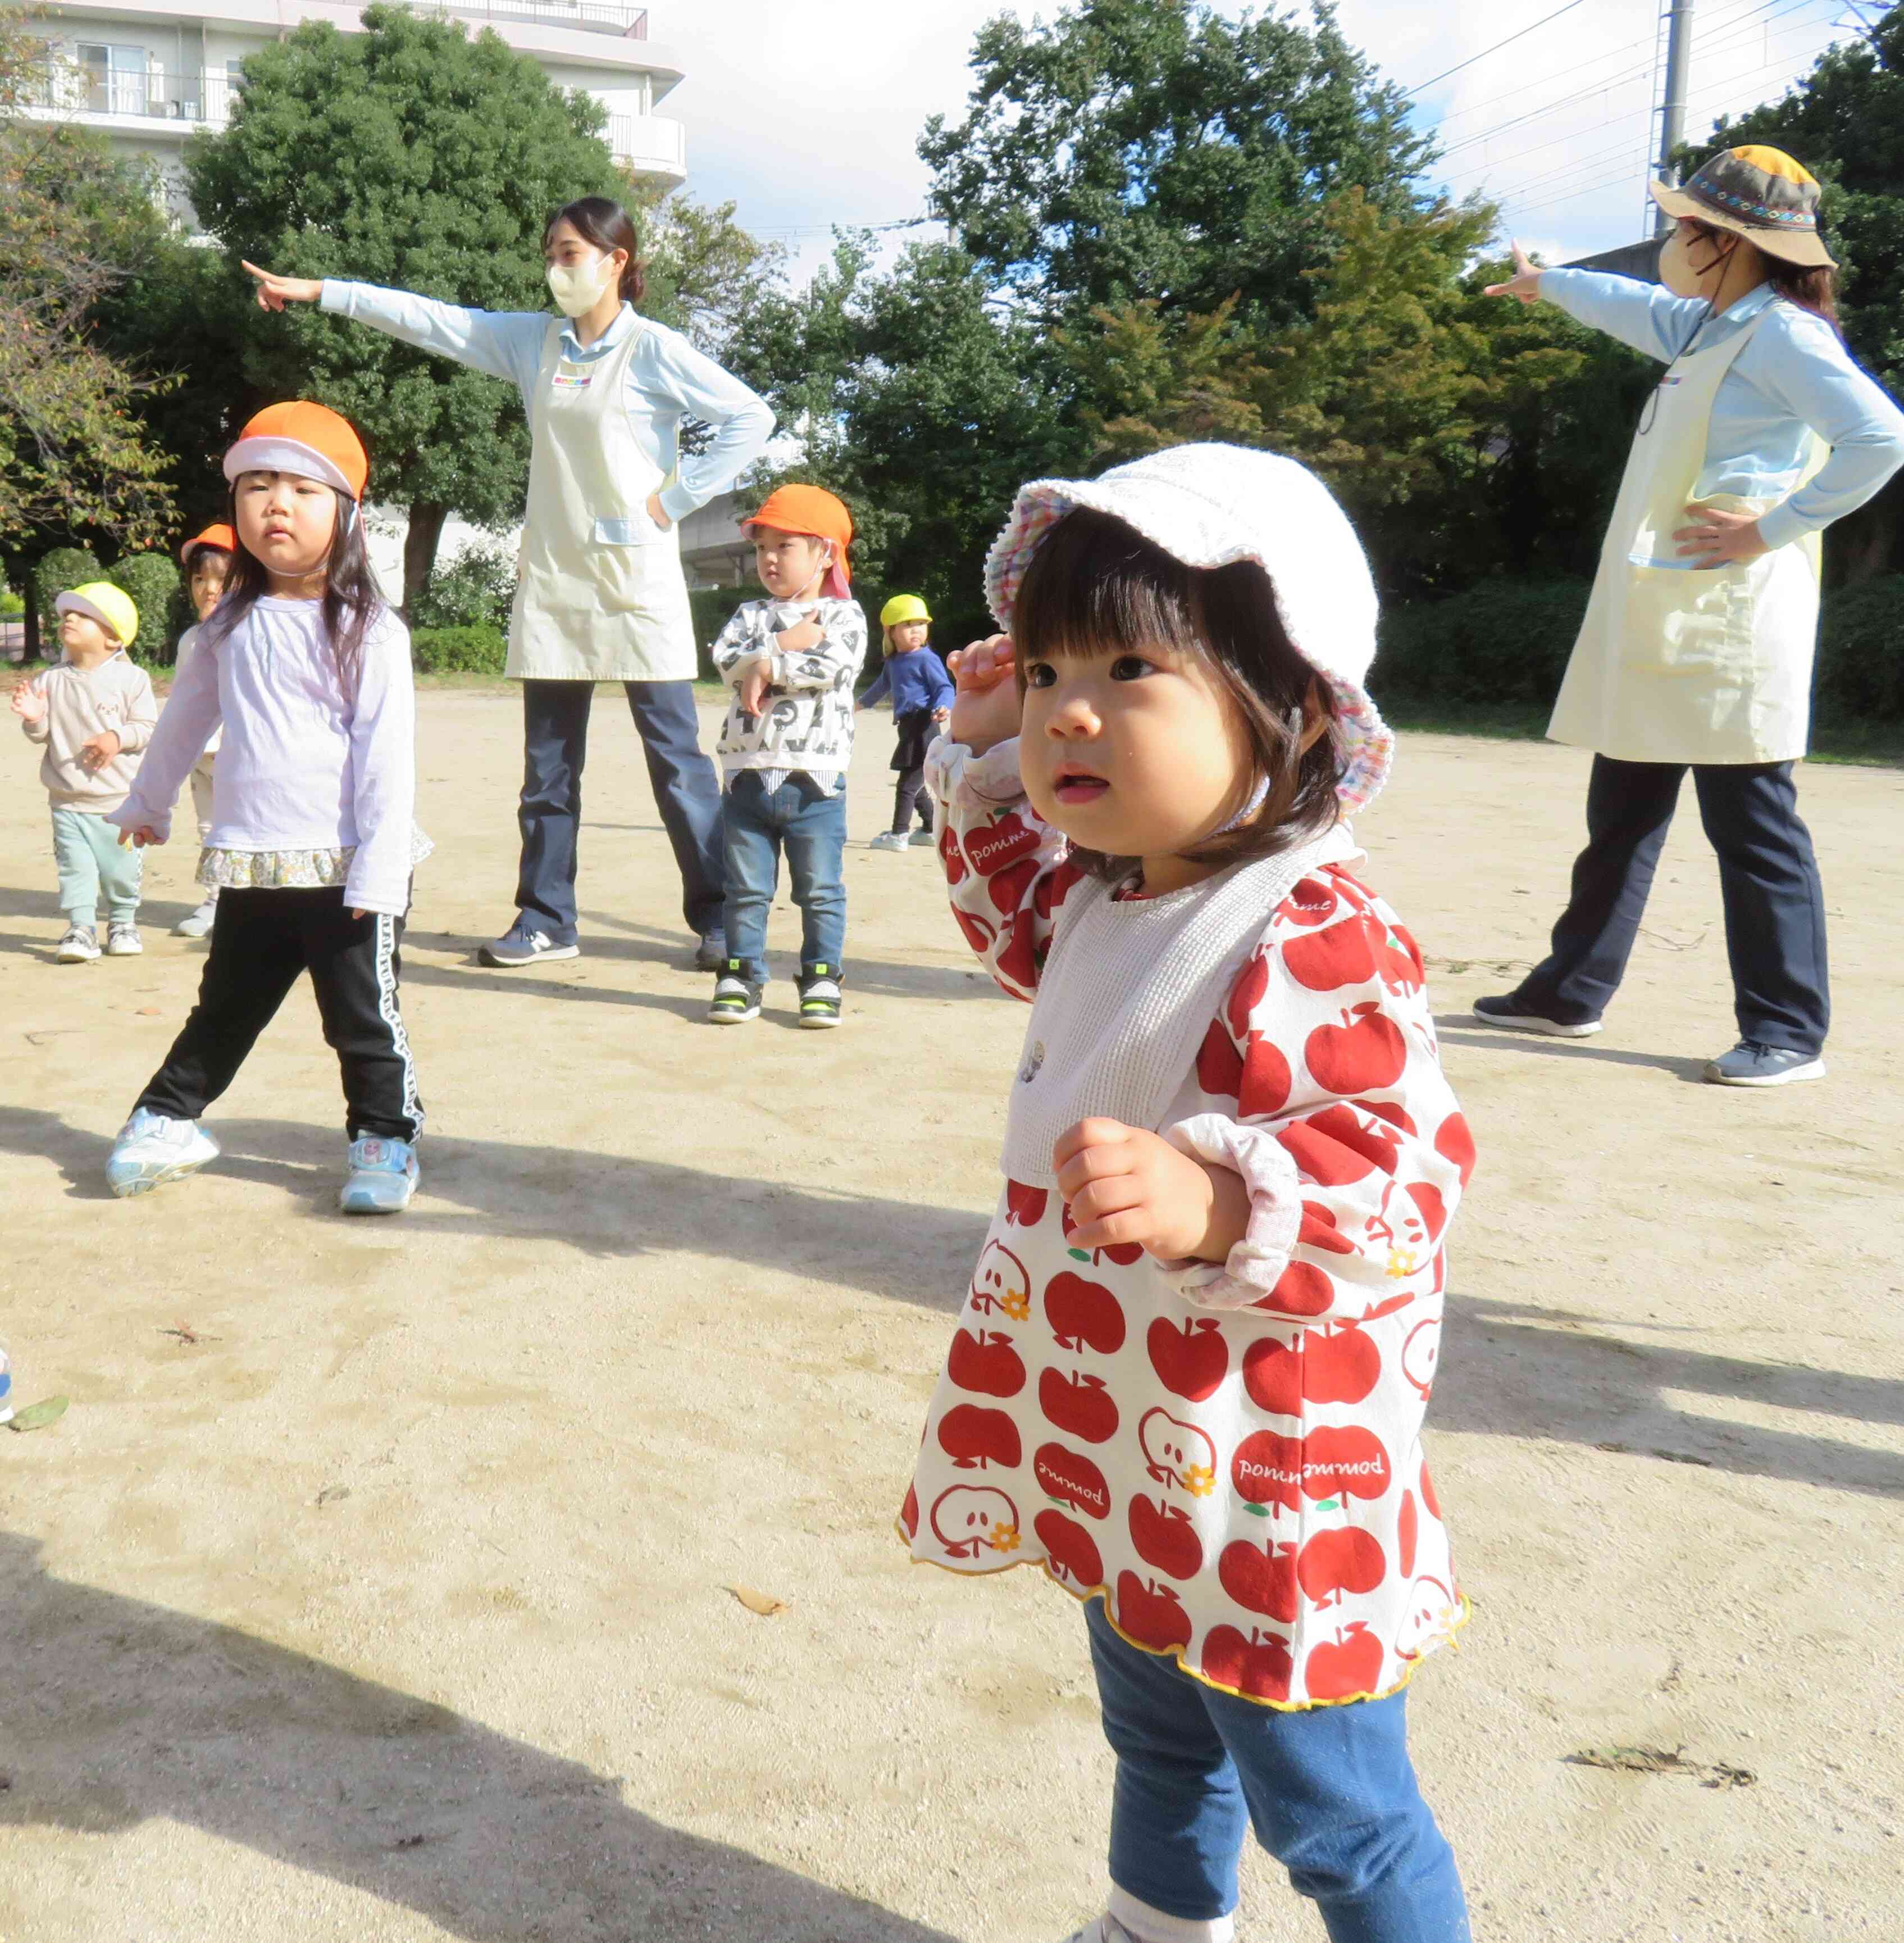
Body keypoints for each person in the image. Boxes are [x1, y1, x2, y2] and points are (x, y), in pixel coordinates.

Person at [902, 445, 1474, 1943]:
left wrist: (1221, 1199)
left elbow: (1400, 1168)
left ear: (1286, 707)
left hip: (1259, 1448)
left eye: (1129, 669)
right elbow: (1014, 920)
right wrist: (974, 744)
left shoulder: (1310, 920)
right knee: (1153, 1724)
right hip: (1124, 1420)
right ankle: (1152, 1928)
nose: (1064, 710)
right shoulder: (1114, 884)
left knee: (1333, 1810)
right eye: (1041, 671)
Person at [240, 194, 774, 972]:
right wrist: (324, 291)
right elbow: (433, 320)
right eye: (551, 253)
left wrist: (672, 500)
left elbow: (747, 418)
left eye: (569, 253)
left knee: (677, 762)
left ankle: (721, 918)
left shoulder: (653, 348)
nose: (556, 267)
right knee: (549, 768)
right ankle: (547, 916)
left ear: (616, 261)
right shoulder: (535, 343)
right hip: (557, 579)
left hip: (637, 580)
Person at [1475, 146, 1904, 1087]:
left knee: (1754, 827)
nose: (1673, 241)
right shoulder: (1713, 326)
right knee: (1622, 812)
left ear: (1730, 242)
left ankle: (1788, 1030)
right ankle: (1568, 991)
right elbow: (1637, 308)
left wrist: (1776, 526)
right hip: (1673, 612)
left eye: (1684, 227)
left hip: (1732, 622)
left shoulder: (1786, 335)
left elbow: (1881, 436)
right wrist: (1549, 285)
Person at [103, 403, 428, 1217]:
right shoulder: (221, 631)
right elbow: (182, 726)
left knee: (360, 1016)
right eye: (256, 485)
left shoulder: (369, 630)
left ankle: (384, 1135)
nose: (275, 504)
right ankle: (168, 1117)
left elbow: (387, 756)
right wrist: (148, 803)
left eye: (300, 488)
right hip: (252, 858)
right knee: (225, 1005)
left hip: (352, 866)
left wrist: (383, 865)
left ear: (346, 513)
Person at [707, 485, 867, 1027]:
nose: (769, 559)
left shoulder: (844, 616)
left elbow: (834, 668)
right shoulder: (750, 615)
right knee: (745, 888)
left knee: (819, 889)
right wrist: (777, 648)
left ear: (825, 553)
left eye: (785, 546)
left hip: (815, 782)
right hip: (746, 777)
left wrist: (770, 669)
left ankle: (822, 976)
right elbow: (726, 662)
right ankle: (741, 973)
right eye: (762, 548)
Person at [11, 581, 156, 963]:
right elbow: (40, 735)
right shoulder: (50, 680)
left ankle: (123, 921)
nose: (69, 619)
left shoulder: (133, 679)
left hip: (120, 802)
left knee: (120, 870)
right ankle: (81, 928)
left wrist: (116, 737)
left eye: (84, 615)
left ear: (112, 638)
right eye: (66, 615)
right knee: (75, 869)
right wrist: (34, 719)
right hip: (67, 800)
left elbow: (147, 729)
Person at [171, 523, 237, 939]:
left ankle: (245, 903)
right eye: (200, 578)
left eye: (222, 579)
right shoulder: (190, 640)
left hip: (240, 757)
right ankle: (216, 901)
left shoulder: (251, 632)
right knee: (208, 828)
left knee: (243, 828)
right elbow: (183, 704)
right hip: (203, 757)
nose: (209, 589)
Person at [859, 593, 953, 850]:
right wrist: (858, 705)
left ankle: (899, 834)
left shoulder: (926, 658)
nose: (916, 631)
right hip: (908, 727)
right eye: (908, 625)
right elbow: (880, 687)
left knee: (908, 783)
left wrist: (944, 706)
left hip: (925, 724)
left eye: (921, 624)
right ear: (890, 631)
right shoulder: (894, 661)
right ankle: (930, 829)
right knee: (916, 781)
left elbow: (944, 687)